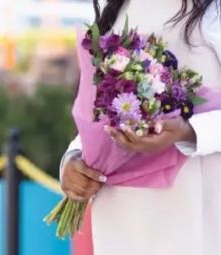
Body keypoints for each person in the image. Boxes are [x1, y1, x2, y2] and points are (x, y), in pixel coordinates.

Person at [60, 0, 221, 254]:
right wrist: (73, 159)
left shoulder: (213, 12)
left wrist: (188, 132)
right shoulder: (115, 7)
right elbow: (98, 106)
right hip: (124, 216)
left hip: (195, 212)